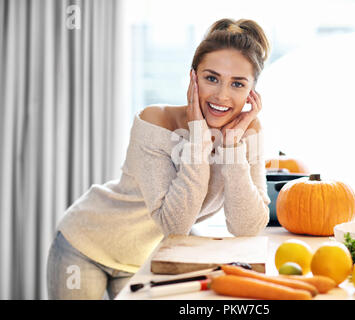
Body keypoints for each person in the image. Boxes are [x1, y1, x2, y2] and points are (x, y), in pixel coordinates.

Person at [46, 18, 271, 300]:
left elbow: (247, 228)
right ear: (193, 77)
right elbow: (174, 224)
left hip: (146, 257)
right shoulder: (155, 121)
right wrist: (199, 135)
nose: (222, 95)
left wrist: (232, 146)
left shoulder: (248, 133)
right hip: (87, 242)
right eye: (211, 78)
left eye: (237, 84)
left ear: (252, 92)